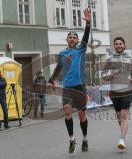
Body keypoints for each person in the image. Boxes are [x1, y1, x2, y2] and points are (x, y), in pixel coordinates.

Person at [48, 8, 91, 154]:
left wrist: (88, 24)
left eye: (74, 37)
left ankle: (85, 139)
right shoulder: (62, 53)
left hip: (79, 87)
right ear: (67, 39)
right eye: (70, 37)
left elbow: (86, 37)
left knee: (81, 115)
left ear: (77, 40)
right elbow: (58, 67)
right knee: (67, 111)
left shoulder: (80, 50)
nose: (72, 39)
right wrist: (51, 79)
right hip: (67, 87)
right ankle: (72, 139)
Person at [102, 37, 132, 150]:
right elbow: (103, 74)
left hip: (127, 90)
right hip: (114, 92)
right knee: (119, 118)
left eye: (120, 43)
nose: (118, 45)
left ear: (124, 45)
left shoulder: (130, 58)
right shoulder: (110, 59)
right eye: (116, 44)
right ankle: (124, 132)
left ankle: (121, 139)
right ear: (114, 46)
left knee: (124, 115)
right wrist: (108, 76)